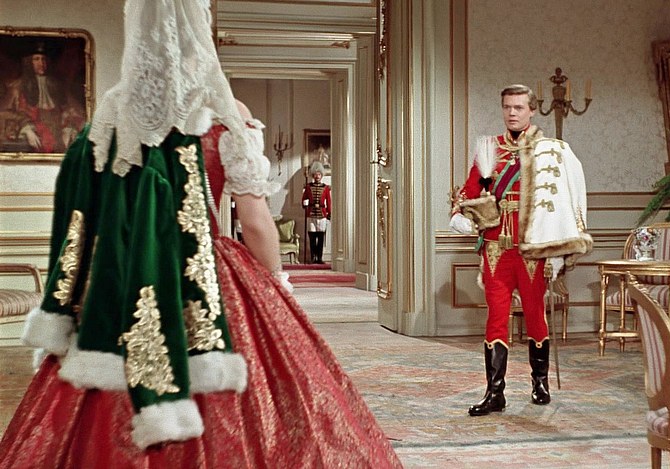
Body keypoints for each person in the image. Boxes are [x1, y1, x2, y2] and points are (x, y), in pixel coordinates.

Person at [0, 1, 402, 467]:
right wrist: (276, 283)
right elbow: (255, 220)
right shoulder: (223, 112)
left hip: (121, 275)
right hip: (206, 271)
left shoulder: (110, 114)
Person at [450, 84, 592, 416]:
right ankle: (494, 392)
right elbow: (471, 191)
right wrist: (463, 215)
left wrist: (556, 252)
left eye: (518, 107)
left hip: (532, 249)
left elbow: (560, 202)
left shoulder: (549, 152)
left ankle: (539, 384)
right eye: (507, 107)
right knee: (496, 319)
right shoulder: (489, 148)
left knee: (535, 315)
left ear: (531, 110)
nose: (512, 113)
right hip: (496, 248)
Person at [3, 43, 84, 153]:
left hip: (58, 139)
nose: (41, 63)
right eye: (36, 59)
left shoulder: (58, 86)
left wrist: (69, 127)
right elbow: (4, 113)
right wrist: (26, 128)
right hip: (31, 138)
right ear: (29, 62)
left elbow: (72, 111)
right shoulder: (17, 87)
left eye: (44, 59)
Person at [302, 160, 331, 264]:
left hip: (322, 214)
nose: (317, 176)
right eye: (315, 174)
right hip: (311, 214)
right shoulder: (308, 187)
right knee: (312, 237)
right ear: (313, 175)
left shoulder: (326, 188)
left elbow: (329, 201)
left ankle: (319, 258)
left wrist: (329, 213)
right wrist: (305, 205)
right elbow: (304, 199)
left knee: (321, 237)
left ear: (321, 175)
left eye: (319, 174)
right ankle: (313, 257)